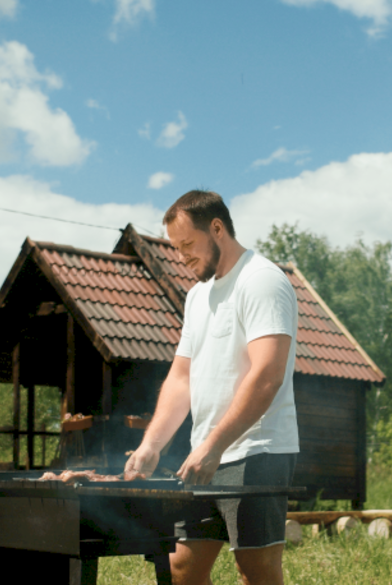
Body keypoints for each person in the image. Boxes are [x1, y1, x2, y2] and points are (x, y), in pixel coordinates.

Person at [125, 190, 299, 585]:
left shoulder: (262, 281)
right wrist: (152, 445)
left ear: (217, 228)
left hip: (257, 451)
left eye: (188, 244)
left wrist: (215, 445)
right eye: (176, 247)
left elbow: (267, 373)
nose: (181, 256)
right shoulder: (197, 296)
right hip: (204, 454)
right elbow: (181, 377)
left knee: (255, 570)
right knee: (181, 567)